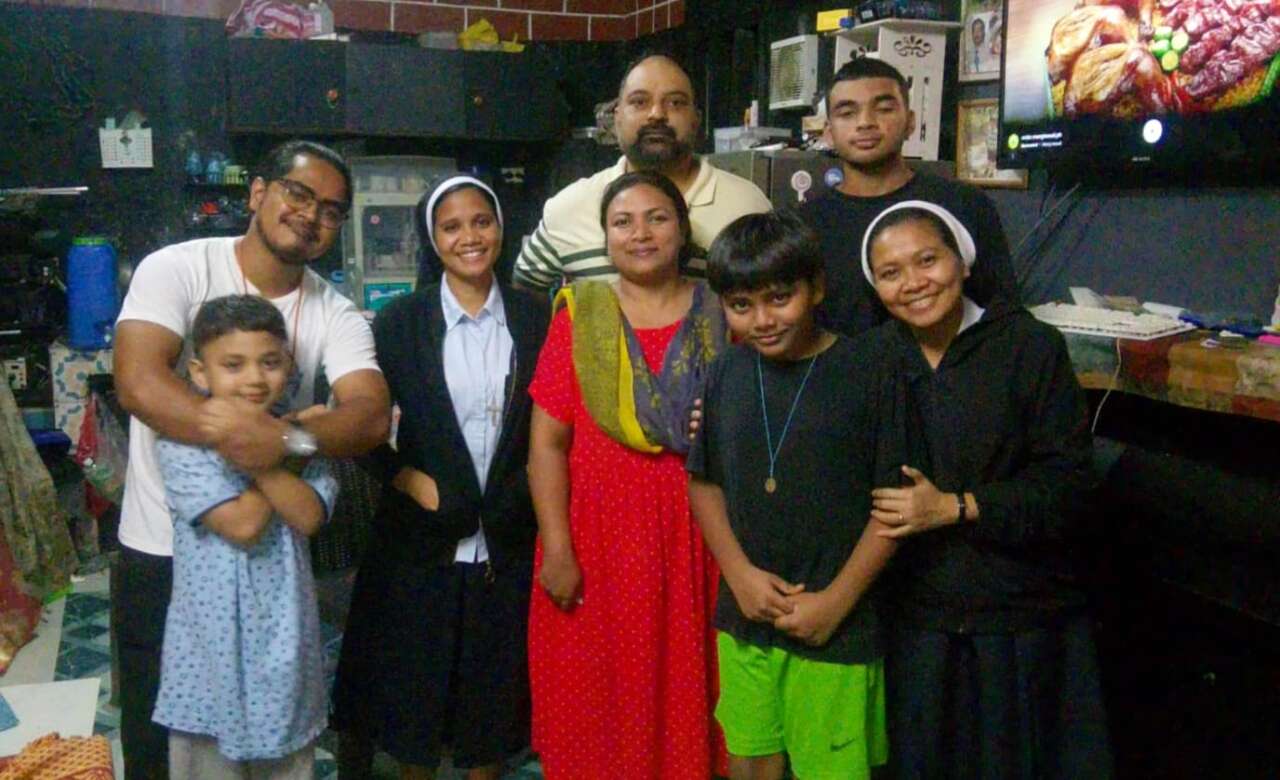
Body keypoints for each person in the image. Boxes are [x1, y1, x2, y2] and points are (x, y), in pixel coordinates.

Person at [113, 139, 390, 779]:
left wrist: (287, 442)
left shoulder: (336, 311)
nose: (311, 215)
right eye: (299, 194)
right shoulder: (177, 268)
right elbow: (139, 383)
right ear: (258, 192)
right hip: (164, 550)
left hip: (273, 571)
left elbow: (369, 415)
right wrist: (262, 439)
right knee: (163, 748)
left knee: (274, 730)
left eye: (331, 209)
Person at [860, 201, 1112, 778]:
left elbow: (1070, 485)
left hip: (1017, 615)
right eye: (891, 272)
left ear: (963, 262)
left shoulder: (1030, 347)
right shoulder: (870, 359)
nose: (913, 282)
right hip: (915, 618)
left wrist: (957, 507)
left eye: (928, 260)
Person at [331, 175, 548, 780]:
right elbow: (357, 422)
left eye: (482, 222)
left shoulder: (538, 319)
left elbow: (556, 426)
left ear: (501, 228)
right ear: (432, 238)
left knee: (495, 694)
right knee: (414, 697)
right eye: (451, 227)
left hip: (509, 538)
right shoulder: (399, 322)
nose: (469, 237)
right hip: (420, 542)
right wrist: (403, 478)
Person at [526, 170, 728, 779]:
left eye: (657, 218)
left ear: (683, 231)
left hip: (699, 536)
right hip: (599, 538)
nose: (640, 233)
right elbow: (547, 445)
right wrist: (557, 548)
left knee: (692, 688)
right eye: (623, 222)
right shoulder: (581, 315)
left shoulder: (723, 312)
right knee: (597, 694)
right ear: (606, 238)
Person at [687, 210, 900, 780]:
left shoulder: (868, 371)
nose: (762, 320)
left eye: (779, 298)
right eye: (741, 305)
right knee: (750, 760)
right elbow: (703, 483)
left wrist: (835, 603)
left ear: (817, 288)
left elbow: (893, 509)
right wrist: (738, 575)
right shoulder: (726, 372)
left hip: (837, 623)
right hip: (747, 615)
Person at [152, 294, 336, 779]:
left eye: (269, 362)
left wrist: (271, 446)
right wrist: (283, 451)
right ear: (199, 372)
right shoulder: (182, 444)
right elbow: (244, 526)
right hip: (206, 659)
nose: (255, 378)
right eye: (233, 365)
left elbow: (308, 516)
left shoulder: (305, 439)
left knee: (288, 761)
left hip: (283, 646)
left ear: (288, 365)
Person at [800, 56, 1019, 339]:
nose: (865, 123)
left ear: (910, 122)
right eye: (847, 113)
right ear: (828, 133)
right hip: (842, 367)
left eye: (883, 109)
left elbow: (1003, 313)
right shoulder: (804, 225)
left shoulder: (963, 204)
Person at [513, 53, 771, 291]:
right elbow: (524, 293)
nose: (657, 114)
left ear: (696, 119)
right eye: (639, 102)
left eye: (676, 103)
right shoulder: (569, 207)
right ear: (617, 117)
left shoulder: (747, 205)